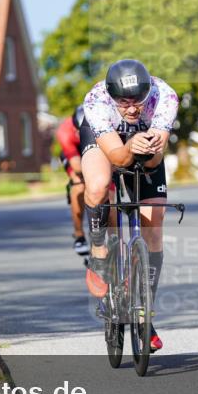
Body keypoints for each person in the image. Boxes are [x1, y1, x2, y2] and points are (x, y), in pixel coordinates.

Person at [80, 59, 179, 352]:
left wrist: (145, 149)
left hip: (146, 145)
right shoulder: (97, 100)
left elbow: (154, 161)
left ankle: (144, 313)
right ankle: (99, 249)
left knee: (154, 218)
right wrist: (130, 145)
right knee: (98, 187)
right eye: (124, 102)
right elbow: (119, 159)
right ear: (112, 97)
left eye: (139, 101)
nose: (133, 108)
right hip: (106, 142)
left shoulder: (165, 97)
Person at [56, 105, 89, 256]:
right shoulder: (65, 131)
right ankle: (79, 234)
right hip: (75, 154)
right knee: (79, 185)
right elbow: (77, 167)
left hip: (97, 145)